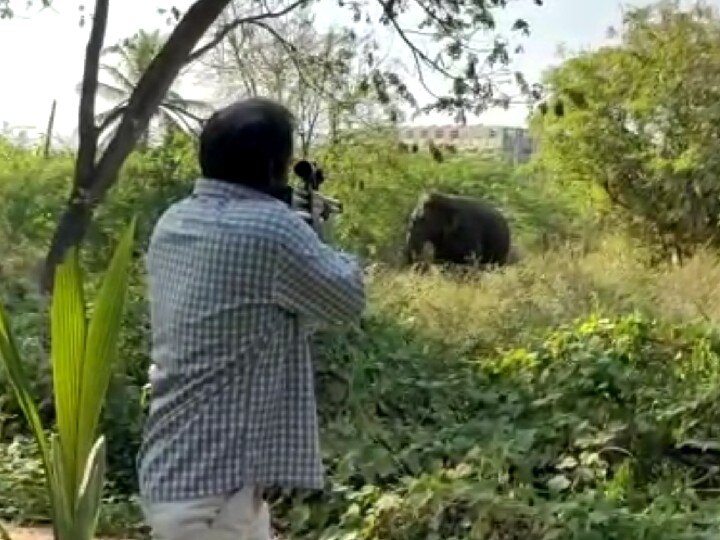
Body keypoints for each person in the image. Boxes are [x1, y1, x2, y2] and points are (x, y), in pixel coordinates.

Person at [137, 97, 366, 540]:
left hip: (177, 475)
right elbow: (347, 299)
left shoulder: (174, 220)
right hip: (214, 498)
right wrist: (318, 232)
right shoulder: (274, 230)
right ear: (273, 166)